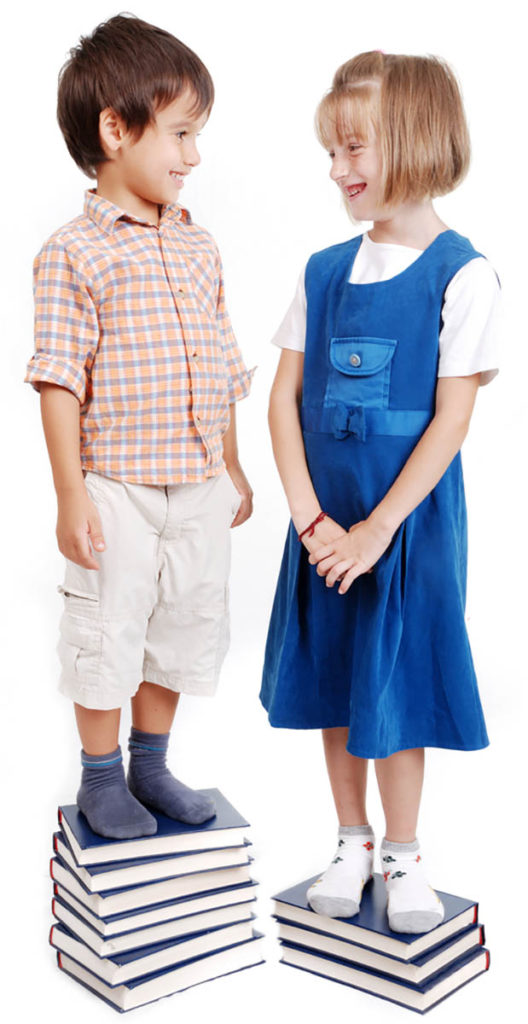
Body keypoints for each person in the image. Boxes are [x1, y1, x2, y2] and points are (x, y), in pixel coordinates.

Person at [260, 51, 500, 933]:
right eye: (332, 153)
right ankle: (350, 839)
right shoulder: (321, 272)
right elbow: (282, 402)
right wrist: (312, 521)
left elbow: (450, 421)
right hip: (325, 523)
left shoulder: (463, 274)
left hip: (405, 526)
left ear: (413, 142)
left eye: (353, 149)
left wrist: (376, 531)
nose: (337, 171)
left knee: (394, 686)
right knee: (335, 679)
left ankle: (403, 853)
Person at [25, 14, 253, 840]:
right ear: (114, 130)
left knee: (183, 626)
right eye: (182, 133)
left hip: (196, 482)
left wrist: (233, 466)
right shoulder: (73, 253)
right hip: (116, 483)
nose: (194, 156)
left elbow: (223, 366)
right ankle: (99, 776)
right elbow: (58, 382)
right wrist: (69, 496)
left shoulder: (201, 249)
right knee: (107, 628)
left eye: (199, 136)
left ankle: (150, 765)